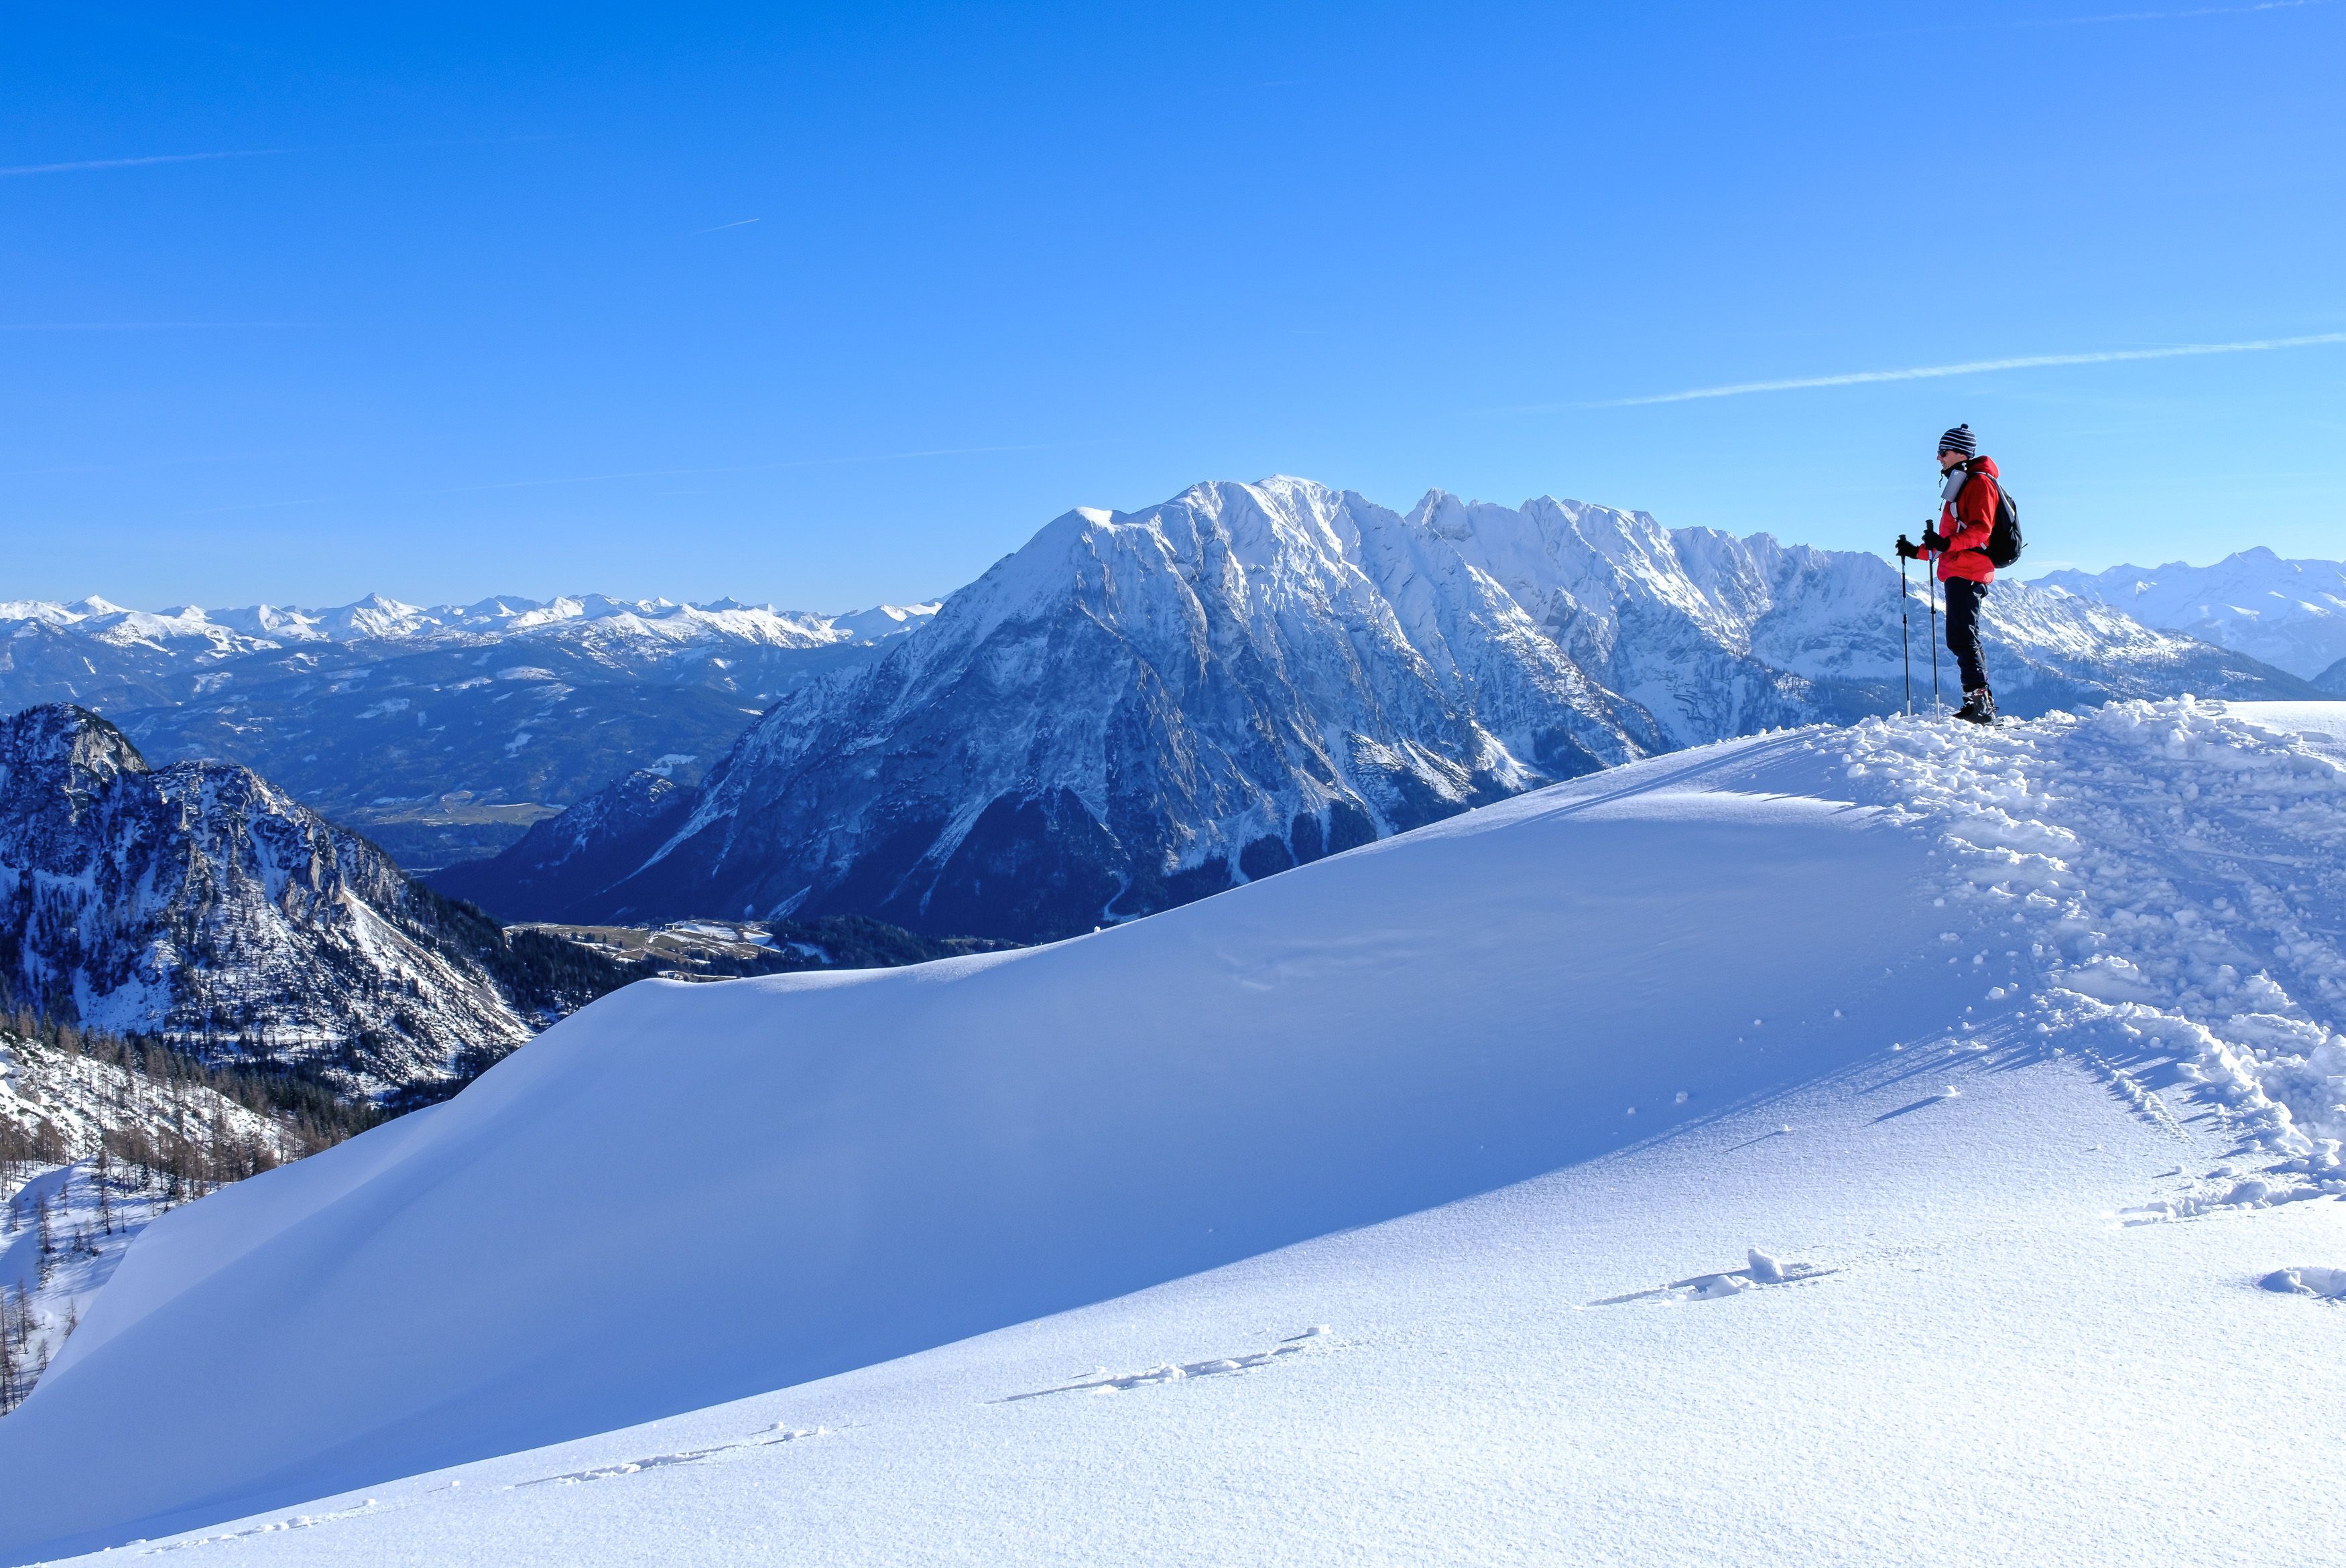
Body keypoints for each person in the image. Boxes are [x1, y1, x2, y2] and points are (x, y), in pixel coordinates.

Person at [1897, 423, 1999, 724]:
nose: (1939, 458)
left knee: (1963, 636)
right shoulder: (1960, 484)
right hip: (1958, 570)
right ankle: (1977, 701)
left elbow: (1982, 531)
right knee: (1961, 636)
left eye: (1943, 452)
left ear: (1959, 452)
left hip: (1970, 571)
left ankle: (1981, 703)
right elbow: (1948, 542)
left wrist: (1946, 543)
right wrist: (1915, 551)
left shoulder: (1979, 484)